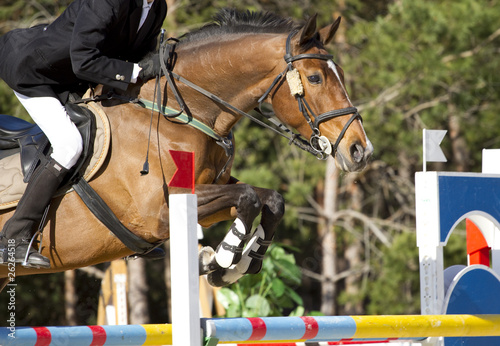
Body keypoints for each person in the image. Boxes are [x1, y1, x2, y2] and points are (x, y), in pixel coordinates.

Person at [0, 0, 167, 268]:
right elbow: (84, 59)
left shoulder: (156, 8)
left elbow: (139, 57)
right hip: (36, 74)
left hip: (74, 75)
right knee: (69, 146)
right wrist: (136, 72)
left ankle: (129, 227)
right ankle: (13, 237)